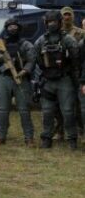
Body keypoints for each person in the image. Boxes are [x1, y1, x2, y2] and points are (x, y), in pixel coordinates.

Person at [33, 11, 79, 149]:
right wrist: (39, 80)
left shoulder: (68, 40)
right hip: (47, 81)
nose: (51, 24)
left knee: (68, 111)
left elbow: (76, 61)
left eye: (54, 22)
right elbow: (37, 61)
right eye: (49, 22)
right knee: (47, 111)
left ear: (59, 22)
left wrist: (76, 80)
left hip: (64, 80)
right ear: (45, 23)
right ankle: (47, 138)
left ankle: (72, 139)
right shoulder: (40, 41)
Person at [0, 18, 35, 146]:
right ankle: (1, 136)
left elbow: (32, 60)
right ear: (6, 29)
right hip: (5, 77)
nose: (12, 29)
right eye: (10, 27)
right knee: (2, 109)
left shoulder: (26, 44)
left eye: (15, 26)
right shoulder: (0, 43)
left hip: (21, 78)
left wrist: (24, 71)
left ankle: (29, 138)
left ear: (19, 28)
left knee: (24, 109)